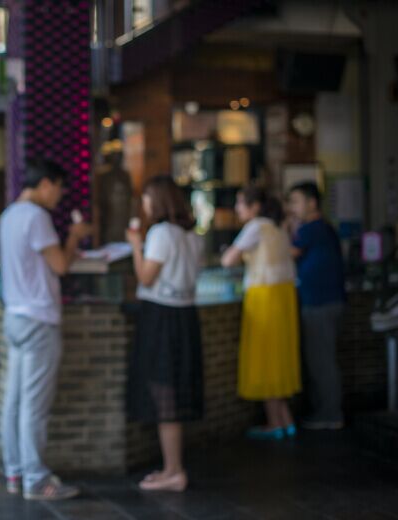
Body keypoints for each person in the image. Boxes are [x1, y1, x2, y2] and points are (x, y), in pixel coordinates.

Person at [0, 159, 92, 500]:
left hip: (15, 318)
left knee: (15, 402)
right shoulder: (37, 217)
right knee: (34, 407)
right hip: (39, 320)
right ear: (47, 183)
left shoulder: (9, 215)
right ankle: (36, 480)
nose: (61, 195)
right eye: (60, 188)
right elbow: (61, 265)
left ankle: (15, 472)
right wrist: (74, 236)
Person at [125, 176, 204, 492]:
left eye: (146, 198)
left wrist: (134, 244)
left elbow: (145, 276)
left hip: (160, 317)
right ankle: (173, 467)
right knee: (174, 390)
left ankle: (173, 470)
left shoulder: (160, 233)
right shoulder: (193, 236)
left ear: (156, 200)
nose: (144, 205)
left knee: (164, 393)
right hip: (186, 316)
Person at [222, 186, 301, 440]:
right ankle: (285, 420)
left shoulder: (255, 227)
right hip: (284, 297)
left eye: (240, 203)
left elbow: (228, 261)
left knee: (266, 358)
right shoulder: (279, 228)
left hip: (264, 298)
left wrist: (232, 251)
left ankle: (275, 425)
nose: (237, 209)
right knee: (279, 357)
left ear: (255, 206)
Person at [288, 182, 346, 429]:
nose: (293, 207)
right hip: (328, 301)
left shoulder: (312, 228)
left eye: (296, 201)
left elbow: (287, 252)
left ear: (312, 203)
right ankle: (327, 412)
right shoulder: (324, 228)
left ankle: (330, 414)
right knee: (323, 359)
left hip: (320, 304)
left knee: (321, 362)